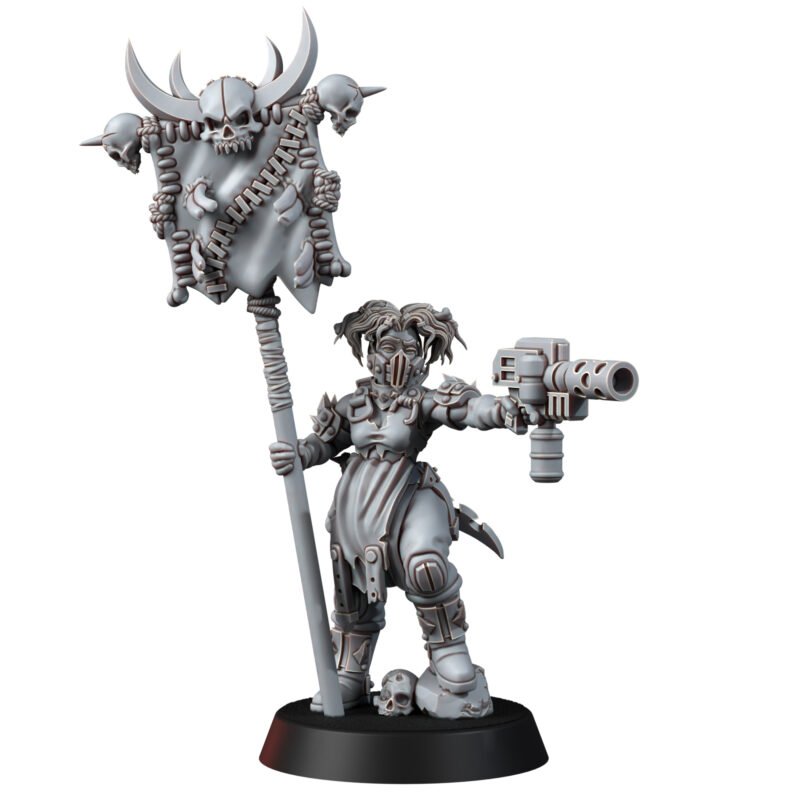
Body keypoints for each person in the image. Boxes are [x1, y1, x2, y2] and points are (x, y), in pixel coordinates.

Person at [269, 301, 523, 717]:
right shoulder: (354, 404)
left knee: (426, 566)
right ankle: (351, 671)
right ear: (371, 352)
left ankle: (447, 647)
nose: (399, 358)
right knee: (350, 581)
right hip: (357, 499)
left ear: (422, 356)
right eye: (389, 347)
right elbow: (326, 443)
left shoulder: (421, 402)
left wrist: (500, 410)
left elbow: (464, 409)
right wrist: (299, 453)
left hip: (409, 493)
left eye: (409, 348)